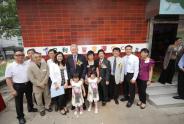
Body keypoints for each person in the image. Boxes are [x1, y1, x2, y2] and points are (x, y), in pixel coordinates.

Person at [5, 50, 37, 124]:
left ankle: (30, 108)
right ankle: (20, 117)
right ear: (14, 56)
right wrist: (12, 90)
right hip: (18, 86)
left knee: (29, 97)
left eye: (22, 55)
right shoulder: (10, 66)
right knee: (19, 102)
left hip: (28, 84)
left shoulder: (27, 64)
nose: (20, 56)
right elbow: (8, 79)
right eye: (18, 55)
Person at [27, 52, 52, 116]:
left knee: (47, 96)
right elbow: (31, 78)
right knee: (38, 98)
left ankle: (47, 106)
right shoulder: (30, 67)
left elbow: (47, 73)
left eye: (39, 56)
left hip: (45, 84)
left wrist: (44, 82)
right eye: (36, 57)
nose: (38, 58)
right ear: (32, 58)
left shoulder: (44, 64)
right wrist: (39, 84)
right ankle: (41, 109)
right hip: (37, 86)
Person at [66, 44, 87, 110]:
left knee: (81, 91)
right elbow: (68, 69)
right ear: (70, 50)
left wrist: (82, 78)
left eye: (75, 49)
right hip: (72, 78)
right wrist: (70, 79)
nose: (74, 50)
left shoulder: (82, 57)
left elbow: (84, 68)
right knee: (73, 92)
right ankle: (74, 104)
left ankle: (83, 104)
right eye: (72, 49)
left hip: (80, 78)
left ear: (77, 49)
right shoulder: (68, 58)